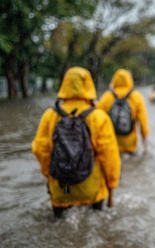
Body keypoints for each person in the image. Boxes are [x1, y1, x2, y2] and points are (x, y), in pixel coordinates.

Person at [32, 66, 120, 218]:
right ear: (89, 85)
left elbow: (40, 149)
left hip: (61, 190)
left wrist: (51, 175)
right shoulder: (99, 117)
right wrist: (112, 184)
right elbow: (110, 156)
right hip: (92, 190)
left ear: (64, 85)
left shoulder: (50, 115)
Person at [96, 69, 149, 154]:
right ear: (129, 80)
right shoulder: (136, 96)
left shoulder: (107, 96)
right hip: (130, 144)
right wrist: (144, 136)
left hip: (112, 143)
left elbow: (97, 119)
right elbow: (143, 120)